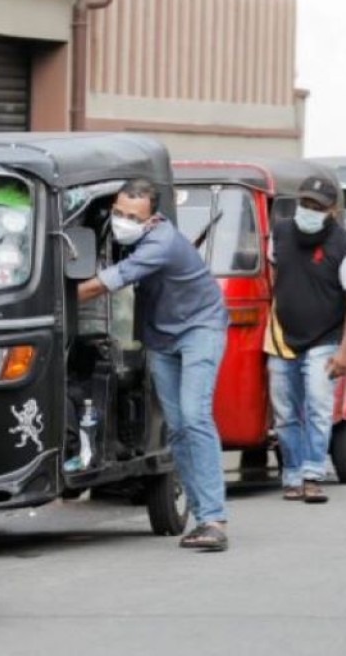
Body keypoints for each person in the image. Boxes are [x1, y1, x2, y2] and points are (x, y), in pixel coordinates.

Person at [78, 179, 229, 551]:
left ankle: (215, 518)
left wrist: (48, 297)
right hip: (161, 337)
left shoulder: (161, 242)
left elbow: (100, 286)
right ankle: (201, 516)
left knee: (195, 416)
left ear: (151, 219)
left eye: (132, 217)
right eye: (118, 213)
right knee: (177, 429)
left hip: (200, 328)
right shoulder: (117, 234)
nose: (122, 221)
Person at [266, 175, 346, 503]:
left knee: (318, 407)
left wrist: (344, 352)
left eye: (317, 207)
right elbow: (273, 276)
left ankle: (312, 474)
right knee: (284, 413)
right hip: (283, 339)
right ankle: (292, 474)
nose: (308, 211)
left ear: (332, 210)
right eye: (305, 204)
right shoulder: (280, 233)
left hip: (326, 339)